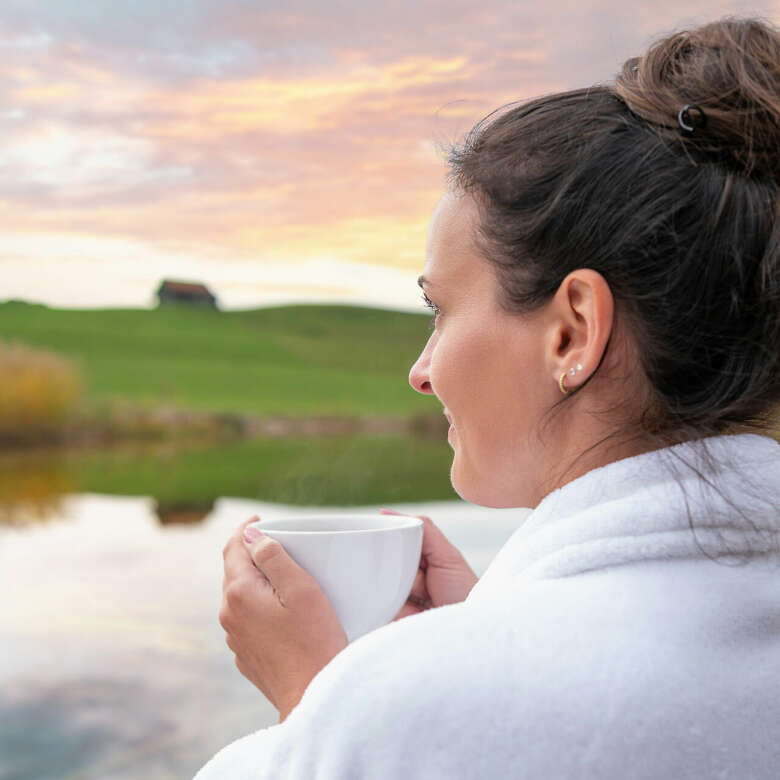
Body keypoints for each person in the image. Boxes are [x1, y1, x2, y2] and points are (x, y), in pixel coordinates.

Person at [196, 16, 780, 779]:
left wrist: (330, 709)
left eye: (439, 310)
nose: (421, 370)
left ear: (572, 331)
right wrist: (483, 635)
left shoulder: (405, 713)